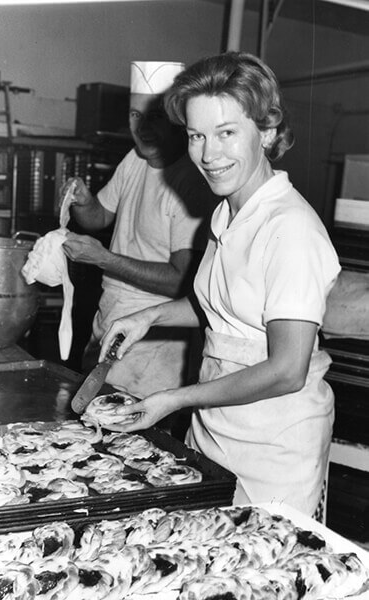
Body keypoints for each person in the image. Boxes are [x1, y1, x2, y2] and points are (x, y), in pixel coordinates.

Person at [98, 51, 341, 517]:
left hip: (274, 449)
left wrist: (172, 399)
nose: (208, 155)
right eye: (196, 136)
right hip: (213, 431)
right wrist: (149, 316)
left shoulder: (290, 229)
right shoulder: (228, 211)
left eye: (227, 133)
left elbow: (287, 369)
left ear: (267, 131)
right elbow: (226, 305)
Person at [62, 61, 217, 401]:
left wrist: (103, 259)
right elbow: (99, 217)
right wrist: (84, 202)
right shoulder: (135, 159)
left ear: (178, 122)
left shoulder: (191, 185)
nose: (143, 128)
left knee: (134, 440)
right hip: (109, 320)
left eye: (156, 117)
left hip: (153, 342)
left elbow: (182, 281)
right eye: (135, 116)